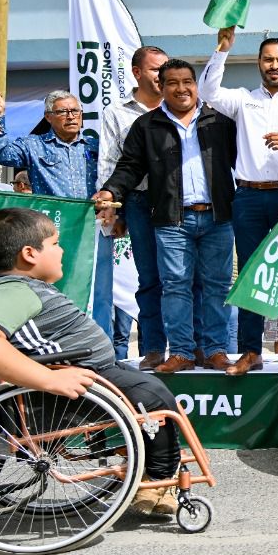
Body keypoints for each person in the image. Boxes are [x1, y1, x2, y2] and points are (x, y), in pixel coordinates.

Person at [0, 207, 182, 516]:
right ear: (29, 254)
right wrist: (49, 379)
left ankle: (149, 471)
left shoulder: (18, 289)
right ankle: (161, 477)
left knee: (147, 393)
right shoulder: (10, 292)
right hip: (80, 381)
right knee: (155, 398)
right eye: (54, 243)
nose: (61, 250)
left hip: (95, 372)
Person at [94, 59, 239, 375]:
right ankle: (183, 351)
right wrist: (110, 192)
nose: (182, 88)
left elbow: (241, 161)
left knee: (216, 286)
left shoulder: (220, 122)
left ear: (195, 85)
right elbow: (130, 167)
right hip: (172, 219)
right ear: (162, 87)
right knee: (175, 286)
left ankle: (214, 349)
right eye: (173, 82)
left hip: (217, 217)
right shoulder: (147, 126)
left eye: (188, 81)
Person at [200, 28, 278, 377]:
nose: (274, 65)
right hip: (248, 196)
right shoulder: (242, 100)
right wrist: (222, 49)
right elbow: (207, 91)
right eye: (268, 59)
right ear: (259, 63)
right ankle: (251, 351)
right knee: (251, 274)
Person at [0, 87, 115, 339]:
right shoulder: (34, 146)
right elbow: (0, 153)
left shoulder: (97, 147)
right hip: (54, 231)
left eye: (75, 111)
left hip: (94, 228)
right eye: (63, 111)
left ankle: (104, 352)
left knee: (100, 294)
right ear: (48, 116)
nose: (71, 116)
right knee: (58, 291)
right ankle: (60, 350)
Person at [101, 45, 171, 369]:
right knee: (150, 280)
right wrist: (114, 209)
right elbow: (112, 164)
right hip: (141, 202)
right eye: (156, 69)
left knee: (185, 278)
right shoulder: (118, 113)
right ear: (138, 72)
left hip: (180, 202)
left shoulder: (181, 108)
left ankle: (189, 348)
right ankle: (154, 349)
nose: (163, 75)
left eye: (166, 68)